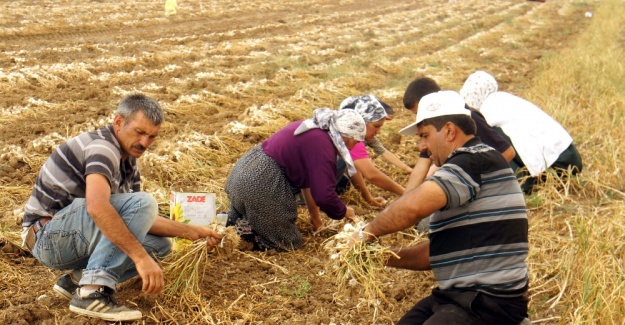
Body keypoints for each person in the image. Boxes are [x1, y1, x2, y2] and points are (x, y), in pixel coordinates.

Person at [21, 94, 223, 322]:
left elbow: (137, 217)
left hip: (71, 237)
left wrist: (192, 232)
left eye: (152, 137)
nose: (145, 143)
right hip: (47, 237)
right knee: (143, 215)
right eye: (140, 132)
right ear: (118, 122)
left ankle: (77, 280)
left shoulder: (128, 161)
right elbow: (97, 207)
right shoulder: (103, 148)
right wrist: (140, 259)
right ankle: (91, 292)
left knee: (160, 246)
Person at [352, 90, 530, 324]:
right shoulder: (468, 170)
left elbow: (412, 207)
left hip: (490, 301)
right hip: (459, 297)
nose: (421, 146)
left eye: (424, 135)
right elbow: (435, 253)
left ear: (449, 131)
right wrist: (379, 256)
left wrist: (367, 232)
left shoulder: (473, 160)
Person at [225, 108, 365, 251]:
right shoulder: (323, 145)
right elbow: (324, 196)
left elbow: (308, 185)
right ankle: (248, 237)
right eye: (356, 142)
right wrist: (344, 211)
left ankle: (238, 224)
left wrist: (316, 219)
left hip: (242, 175)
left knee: (245, 220)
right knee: (288, 242)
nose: (354, 147)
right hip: (261, 184)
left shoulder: (313, 129)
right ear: (348, 137)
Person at [460, 70, 583, 193]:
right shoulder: (507, 99)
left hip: (558, 164)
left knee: (488, 139)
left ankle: (520, 183)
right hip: (571, 158)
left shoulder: (488, 108)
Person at [403, 77, 516, 192]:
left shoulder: (468, 117)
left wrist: (481, 182)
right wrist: (405, 199)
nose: (419, 118)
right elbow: (421, 168)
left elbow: (507, 152)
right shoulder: (431, 130)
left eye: (419, 112)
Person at [337, 95, 407, 207]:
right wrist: (406, 193)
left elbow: (353, 169)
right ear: (359, 121)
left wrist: (369, 199)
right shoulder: (351, 138)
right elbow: (371, 174)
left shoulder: (347, 134)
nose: (378, 132)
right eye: (376, 126)